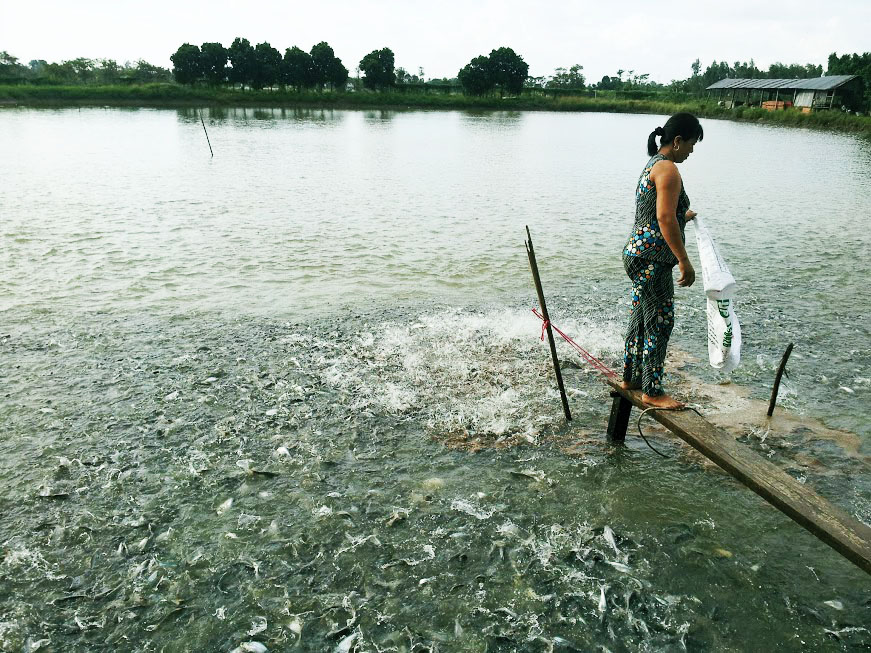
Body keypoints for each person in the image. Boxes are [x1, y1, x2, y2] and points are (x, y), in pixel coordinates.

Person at [620, 112, 703, 409]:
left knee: (641, 317)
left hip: (637, 254)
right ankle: (653, 391)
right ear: (678, 141)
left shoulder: (653, 163)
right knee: (660, 321)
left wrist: (685, 215)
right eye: (692, 144)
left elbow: (665, 211)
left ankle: (630, 377)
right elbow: (664, 216)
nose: (692, 151)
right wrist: (684, 260)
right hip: (653, 258)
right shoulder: (668, 169)